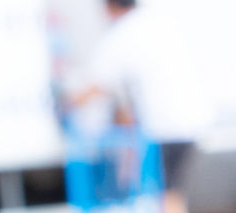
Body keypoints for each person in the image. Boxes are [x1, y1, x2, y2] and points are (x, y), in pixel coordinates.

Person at [68, 0, 216, 201]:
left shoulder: (122, 34)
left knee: (167, 199)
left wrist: (63, 105)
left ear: (109, 6)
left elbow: (95, 86)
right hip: (194, 122)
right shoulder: (155, 23)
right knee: (180, 195)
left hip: (167, 129)